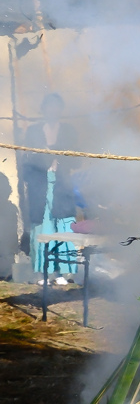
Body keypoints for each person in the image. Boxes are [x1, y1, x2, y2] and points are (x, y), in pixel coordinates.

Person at [21, 93, 78, 277]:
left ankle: (63, 272)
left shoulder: (69, 131)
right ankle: (42, 271)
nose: (53, 110)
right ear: (43, 109)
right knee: (42, 225)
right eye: (49, 106)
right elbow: (26, 159)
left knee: (62, 224)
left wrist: (57, 162)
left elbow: (76, 159)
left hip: (62, 185)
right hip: (40, 185)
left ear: (61, 110)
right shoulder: (32, 131)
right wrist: (45, 162)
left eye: (56, 106)